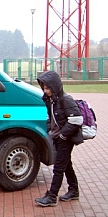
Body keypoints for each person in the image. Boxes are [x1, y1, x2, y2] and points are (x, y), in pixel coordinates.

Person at [35, 70, 83, 207]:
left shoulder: (65, 100)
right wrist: (50, 129)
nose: (45, 90)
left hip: (66, 139)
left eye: (48, 87)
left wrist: (63, 135)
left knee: (59, 167)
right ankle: (73, 190)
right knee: (66, 164)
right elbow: (51, 117)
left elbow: (77, 119)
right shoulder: (51, 100)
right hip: (58, 137)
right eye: (44, 87)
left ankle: (52, 196)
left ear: (55, 86)